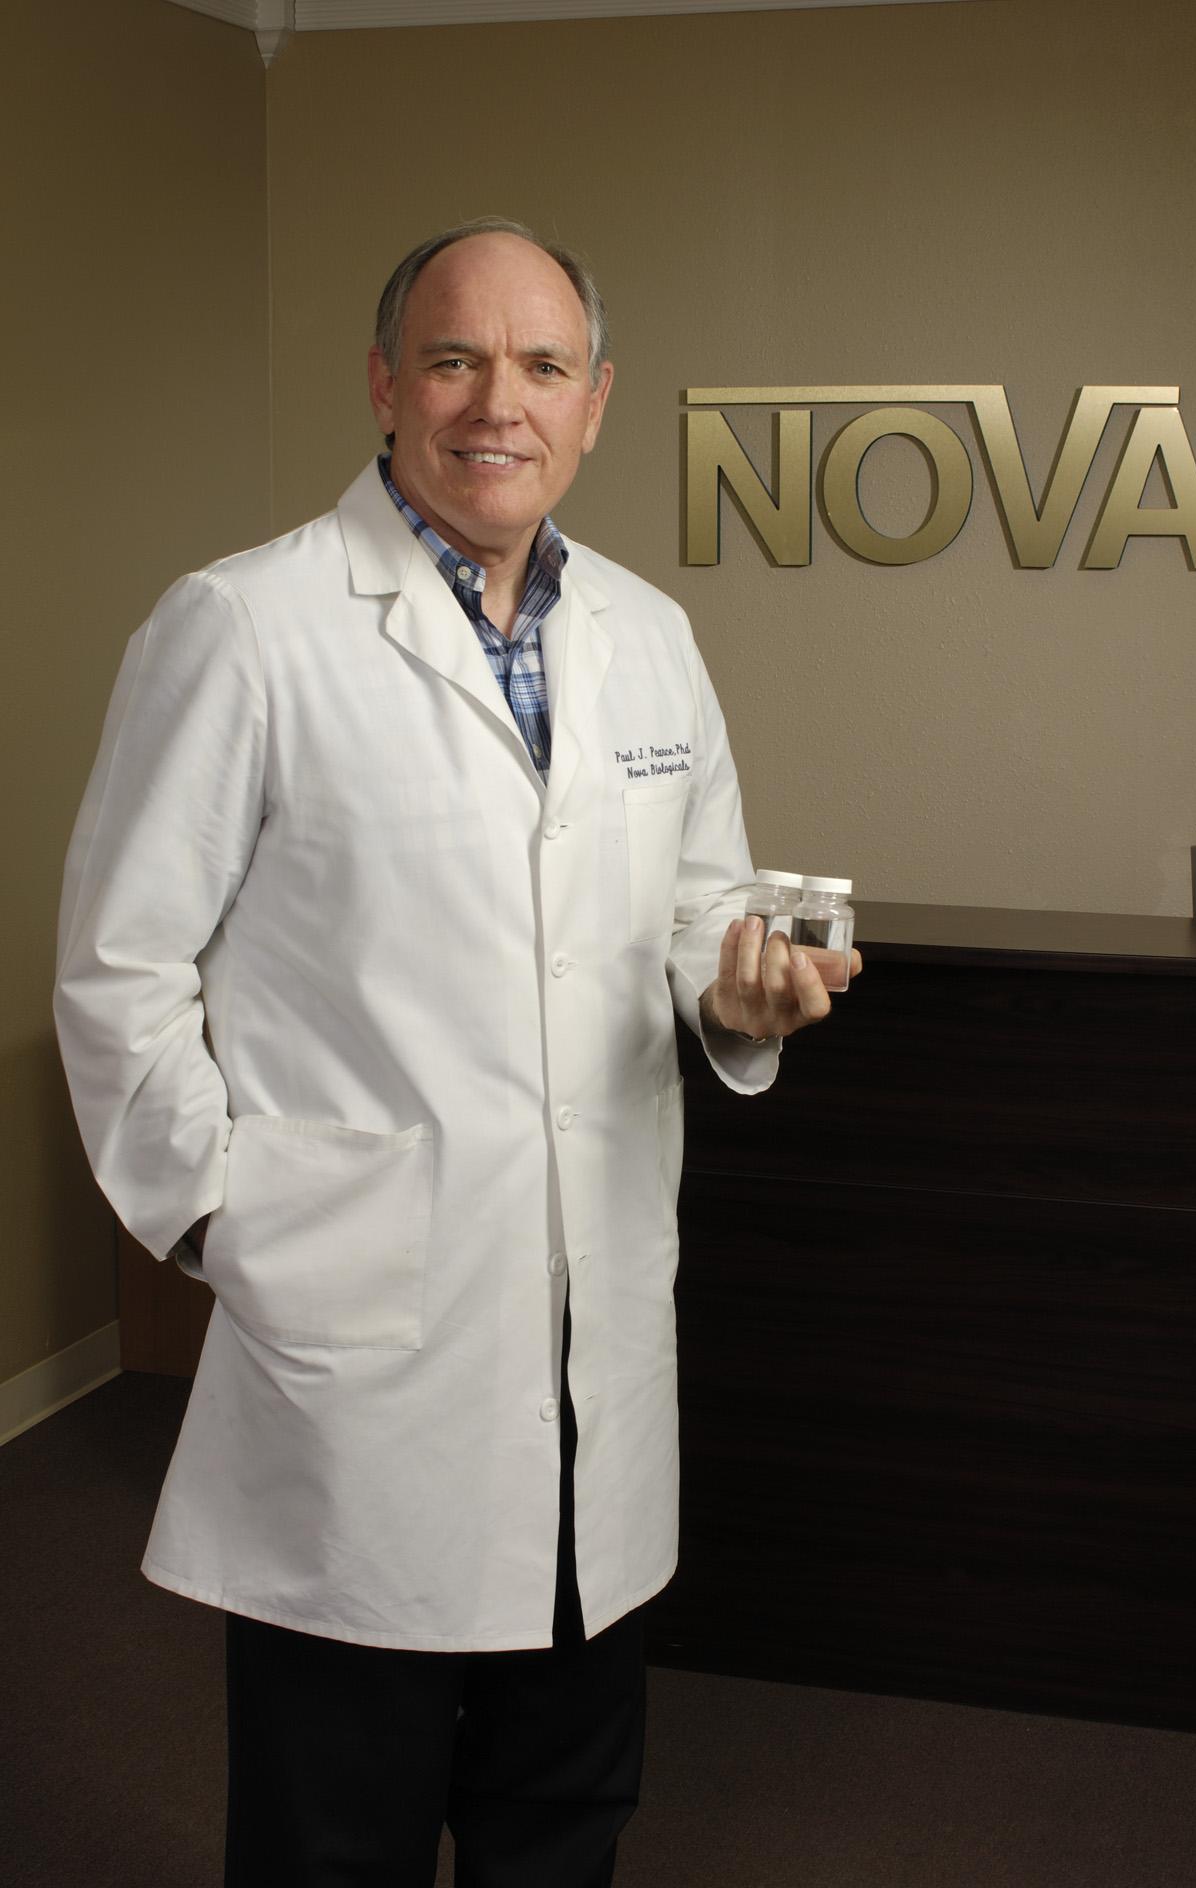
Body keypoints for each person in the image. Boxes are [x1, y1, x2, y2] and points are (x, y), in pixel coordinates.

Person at [54, 217, 850, 1887]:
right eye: (454, 359)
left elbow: (696, 907)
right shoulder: (244, 625)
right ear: (384, 384)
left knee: (562, 1820)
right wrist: (224, 1221)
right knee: (330, 1836)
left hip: (590, 1337)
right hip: (360, 1346)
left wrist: (737, 996)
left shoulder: (647, 635)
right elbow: (119, 968)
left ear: (595, 403)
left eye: (543, 366)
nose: (500, 402)